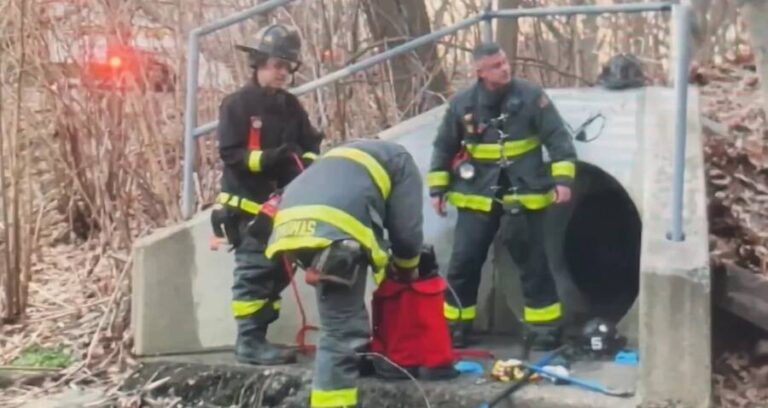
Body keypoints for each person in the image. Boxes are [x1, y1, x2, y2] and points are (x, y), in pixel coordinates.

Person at [426, 42, 577, 351]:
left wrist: (563, 180)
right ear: (479, 72)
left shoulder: (533, 97)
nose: (505, 68)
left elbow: (558, 139)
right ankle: (454, 327)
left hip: (525, 193)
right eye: (495, 65)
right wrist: (438, 189)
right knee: (464, 262)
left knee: (534, 263)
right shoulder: (462, 104)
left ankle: (545, 330)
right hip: (477, 195)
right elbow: (443, 146)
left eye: (505, 61)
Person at [264, 139, 426, 408]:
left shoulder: (340, 159)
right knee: (341, 332)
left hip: (289, 226)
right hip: (336, 232)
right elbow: (407, 234)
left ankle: (329, 386)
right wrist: (407, 269)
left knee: (339, 323)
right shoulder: (401, 160)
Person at [211, 23, 323, 366]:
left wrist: (306, 164)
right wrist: (271, 158)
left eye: (287, 67)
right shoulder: (237, 105)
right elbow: (231, 153)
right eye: (277, 65)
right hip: (248, 209)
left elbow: (310, 144)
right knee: (254, 274)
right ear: (258, 63)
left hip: (284, 206)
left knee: (278, 274)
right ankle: (249, 341)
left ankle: (261, 337)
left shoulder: (291, 106)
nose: (282, 73)